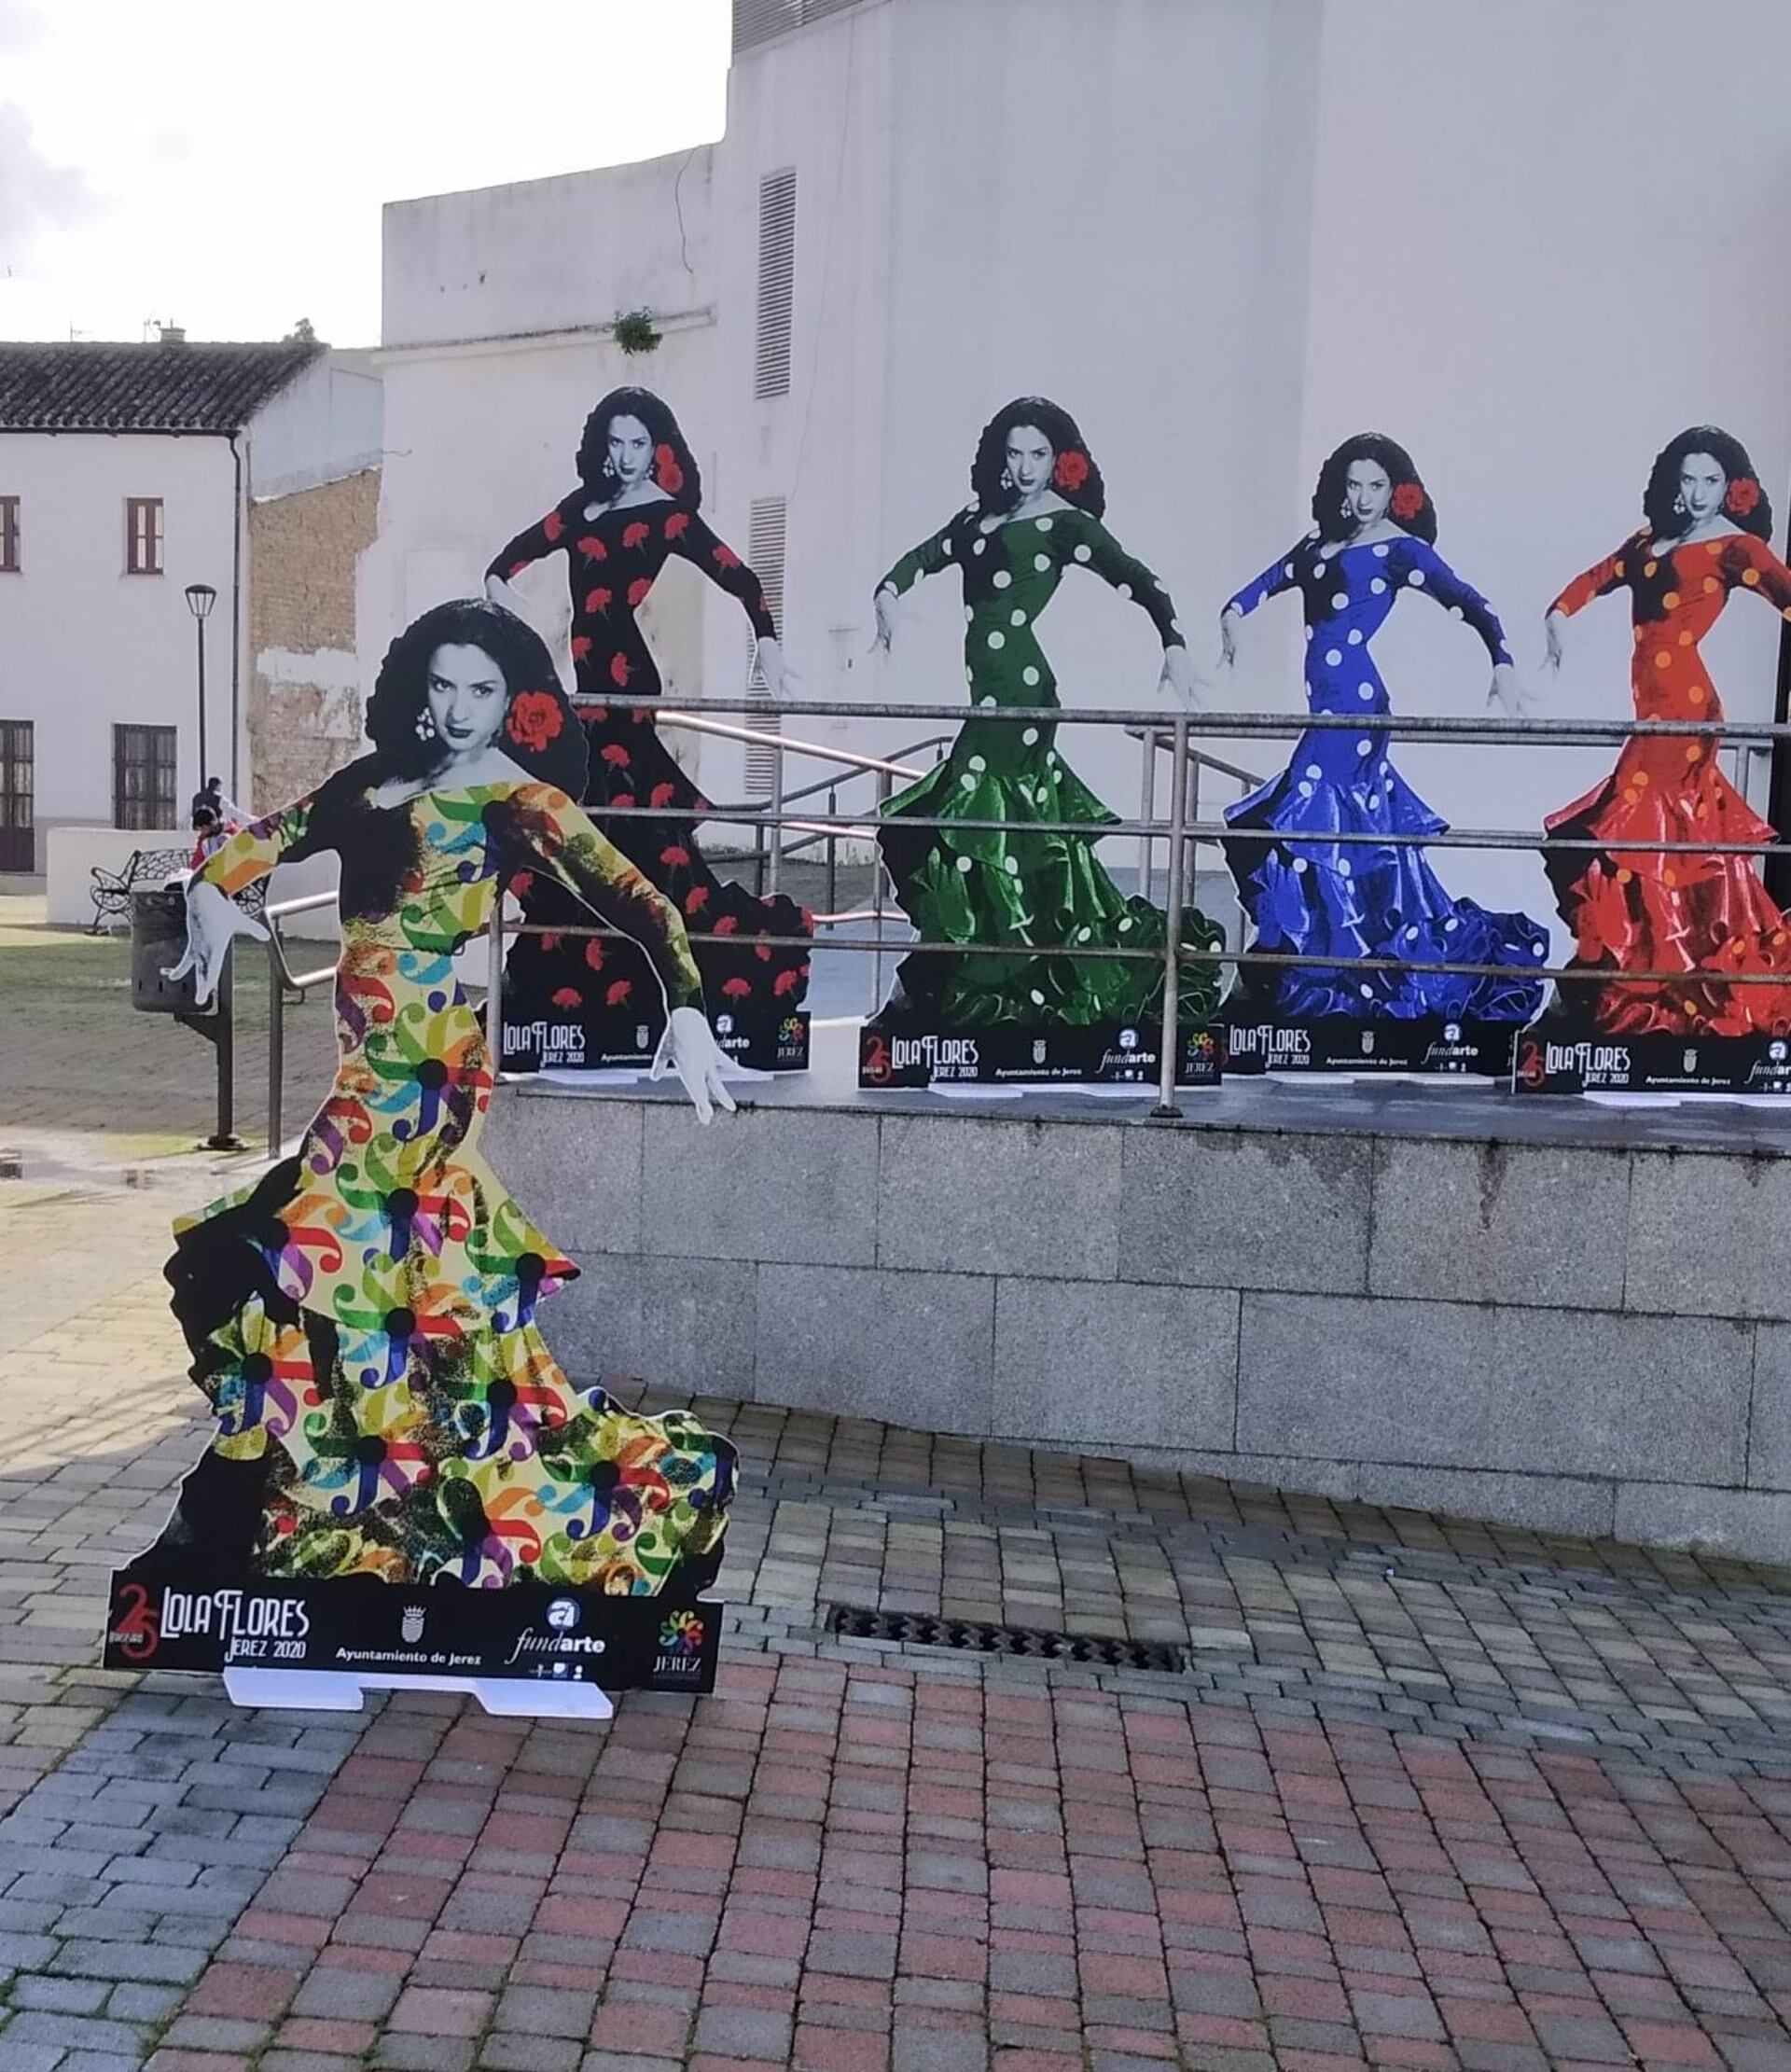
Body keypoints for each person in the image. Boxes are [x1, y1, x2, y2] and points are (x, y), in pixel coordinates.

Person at [150, 599, 739, 1592]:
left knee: (297, 1260)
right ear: (419, 690)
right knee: (356, 1280)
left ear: (512, 701)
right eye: (445, 685)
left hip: (424, 1067)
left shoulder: (516, 801)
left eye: (484, 689)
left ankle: (242, 1506)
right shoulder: (374, 782)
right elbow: (268, 839)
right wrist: (211, 889)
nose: (461, 707)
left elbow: (641, 900)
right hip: (363, 1072)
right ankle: (312, 1499)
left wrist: (683, 1004)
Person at [869, 396, 1223, 1025]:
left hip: (1024, 695)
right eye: (1016, 453)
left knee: (967, 819)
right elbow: (918, 559)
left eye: (1039, 454)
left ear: (1059, 459)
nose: (1027, 466)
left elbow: (1140, 578)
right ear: (1000, 457)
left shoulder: (1065, 523)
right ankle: (975, 965)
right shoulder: (977, 517)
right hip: (990, 694)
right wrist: (888, 597)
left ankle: (950, 970)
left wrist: (1173, 644)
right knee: (998, 828)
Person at [486, 388, 811, 1051]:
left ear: (656, 448)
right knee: (597, 825)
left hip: (626, 685)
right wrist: (524, 619)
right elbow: (502, 566)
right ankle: (603, 976)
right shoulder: (580, 510)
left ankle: (663, 972)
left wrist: (767, 644)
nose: (627, 456)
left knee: (629, 826)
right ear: (602, 446)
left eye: (639, 443)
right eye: (617, 443)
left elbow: (742, 579)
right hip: (586, 691)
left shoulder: (665, 515)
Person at [1218, 433, 1548, 1023]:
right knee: (1327, 832)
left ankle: (1336, 963)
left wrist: (1501, 661)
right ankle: (1330, 958)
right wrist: (1232, 620)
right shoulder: (1318, 544)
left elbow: (1471, 602)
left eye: (1377, 486)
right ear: (1340, 489)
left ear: (1395, 492)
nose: (1365, 497)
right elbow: (1254, 590)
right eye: (1355, 485)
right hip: (1328, 708)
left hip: (1360, 707)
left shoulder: (1400, 549)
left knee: (1307, 822)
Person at [1540, 426, 1791, 1036]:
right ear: (1673, 483)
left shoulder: (1735, 548)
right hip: (1653, 710)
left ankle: (1655, 977)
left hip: (1686, 710)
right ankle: (1657, 972)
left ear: (1729, 487)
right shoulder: (1647, 541)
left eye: (1712, 480)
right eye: (1689, 478)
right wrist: (1558, 616)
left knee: (1631, 834)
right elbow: (1589, 580)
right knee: (1656, 843)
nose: (1700, 491)